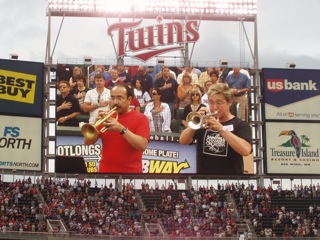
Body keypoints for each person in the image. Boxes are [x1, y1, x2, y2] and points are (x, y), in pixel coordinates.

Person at [179, 83, 252, 175]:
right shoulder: (204, 122)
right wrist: (195, 124)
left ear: (229, 103)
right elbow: (183, 141)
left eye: (219, 102)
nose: (214, 107)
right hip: (204, 179)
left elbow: (245, 150)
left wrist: (221, 129)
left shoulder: (240, 125)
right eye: (211, 102)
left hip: (230, 180)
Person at [84, 84, 150, 173]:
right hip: (105, 172)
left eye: (119, 98)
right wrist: (95, 124)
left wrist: (121, 129)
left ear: (129, 100)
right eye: (112, 98)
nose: (115, 102)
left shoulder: (141, 118)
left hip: (131, 174)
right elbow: (87, 142)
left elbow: (142, 145)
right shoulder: (106, 116)